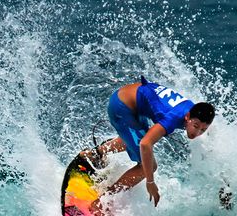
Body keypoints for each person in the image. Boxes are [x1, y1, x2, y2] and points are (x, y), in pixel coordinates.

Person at [84, 76, 215, 208]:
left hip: (131, 101)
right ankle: (101, 203)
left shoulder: (194, 112)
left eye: (203, 130)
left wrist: (223, 185)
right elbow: (145, 144)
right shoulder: (174, 118)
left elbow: (209, 149)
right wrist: (150, 182)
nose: (197, 133)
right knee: (149, 166)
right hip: (121, 107)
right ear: (187, 117)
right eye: (196, 126)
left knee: (137, 136)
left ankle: (96, 154)